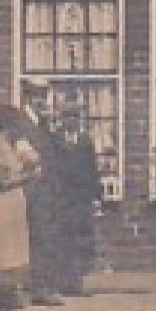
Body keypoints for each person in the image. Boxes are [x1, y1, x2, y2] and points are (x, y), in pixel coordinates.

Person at [0, 103, 40, 311]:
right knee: (1, 251)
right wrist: (28, 177)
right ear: (6, 124)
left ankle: (12, 300)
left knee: (16, 248)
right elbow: (2, 181)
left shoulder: (14, 144)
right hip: (1, 202)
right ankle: (0, 304)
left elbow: (29, 162)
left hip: (16, 202)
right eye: (16, 124)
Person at [13, 81, 61, 307]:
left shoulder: (42, 122)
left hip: (45, 190)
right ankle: (36, 288)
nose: (44, 101)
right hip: (30, 189)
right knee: (35, 237)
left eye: (45, 96)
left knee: (44, 236)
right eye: (39, 96)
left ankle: (40, 286)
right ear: (29, 98)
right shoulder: (20, 123)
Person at [48, 99, 102, 296]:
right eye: (67, 117)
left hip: (81, 199)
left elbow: (93, 170)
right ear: (61, 119)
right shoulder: (53, 140)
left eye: (74, 117)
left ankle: (77, 282)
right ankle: (63, 282)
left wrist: (97, 196)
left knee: (81, 240)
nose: (71, 121)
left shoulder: (85, 141)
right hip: (62, 198)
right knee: (62, 239)